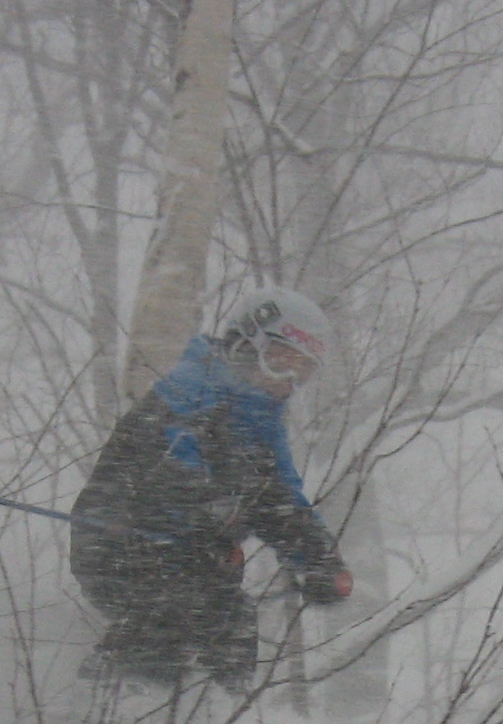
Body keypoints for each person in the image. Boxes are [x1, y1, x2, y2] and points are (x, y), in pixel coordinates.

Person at [70, 286, 352, 692]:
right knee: (188, 601)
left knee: (232, 619)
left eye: (301, 371)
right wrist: (209, 516)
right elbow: (169, 472)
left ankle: (214, 709)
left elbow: (280, 500)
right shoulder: (190, 390)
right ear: (246, 344)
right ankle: (123, 690)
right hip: (121, 542)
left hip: (195, 556)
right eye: (280, 363)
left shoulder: (262, 422)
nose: (287, 381)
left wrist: (318, 557)